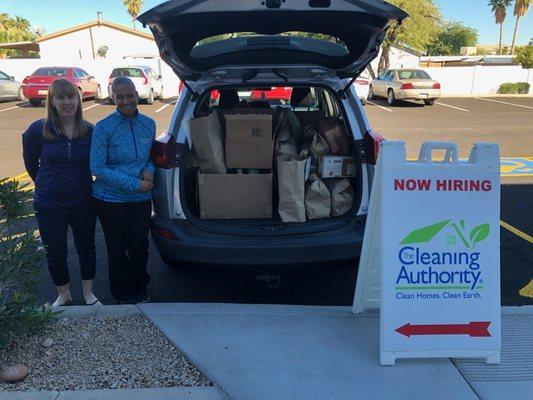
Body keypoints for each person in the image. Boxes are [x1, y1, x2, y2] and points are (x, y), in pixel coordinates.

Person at [22, 79, 100, 307]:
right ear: (52, 102)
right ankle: (64, 294)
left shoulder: (90, 131)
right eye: (61, 97)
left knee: (86, 247)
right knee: (55, 251)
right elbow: (30, 163)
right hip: (49, 203)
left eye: (71, 97)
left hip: (83, 200)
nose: (67, 102)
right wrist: (45, 184)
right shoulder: (38, 129)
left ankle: (88, 293)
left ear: (78, 99)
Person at [90, 76, 155, 304]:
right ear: (113, 97)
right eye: (120, 97)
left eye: (130, 95)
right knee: (117, 250)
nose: (126, 101)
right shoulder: (104, 127)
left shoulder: (149, 124)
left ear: (137, 95)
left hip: (140, 198)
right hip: (110, 199)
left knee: (140, 246)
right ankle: (122, 293)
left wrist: (150, 169)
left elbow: (150, 157)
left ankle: (140, 286)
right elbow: (97, 167)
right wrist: (135, 184)